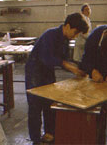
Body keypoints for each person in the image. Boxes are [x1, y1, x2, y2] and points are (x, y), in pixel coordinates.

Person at [25, 13, 89, 144]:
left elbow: (63, 59)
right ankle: (35, 138)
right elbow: (46, 58)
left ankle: (50, 133)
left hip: (47, 71)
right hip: (34, 71)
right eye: (75, 32)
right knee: (35, 106)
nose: (75, 36)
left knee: (50, 104)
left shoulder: (65, 40)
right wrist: (68, 65)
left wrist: (77, 67)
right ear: (67, 26)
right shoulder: (50, 35)